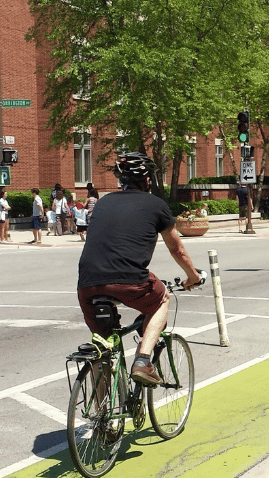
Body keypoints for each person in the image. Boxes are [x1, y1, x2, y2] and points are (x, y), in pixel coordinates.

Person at [77, 152, 202, 385]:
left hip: (87, 284)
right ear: (147, 180)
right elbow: (178, 250)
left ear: (121, 179)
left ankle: (103, 420)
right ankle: (143, 361)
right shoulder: (156, 205)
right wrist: (192, 277)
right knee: (162, 298)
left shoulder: (103, 202)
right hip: (129, 281)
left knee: (103, 348)